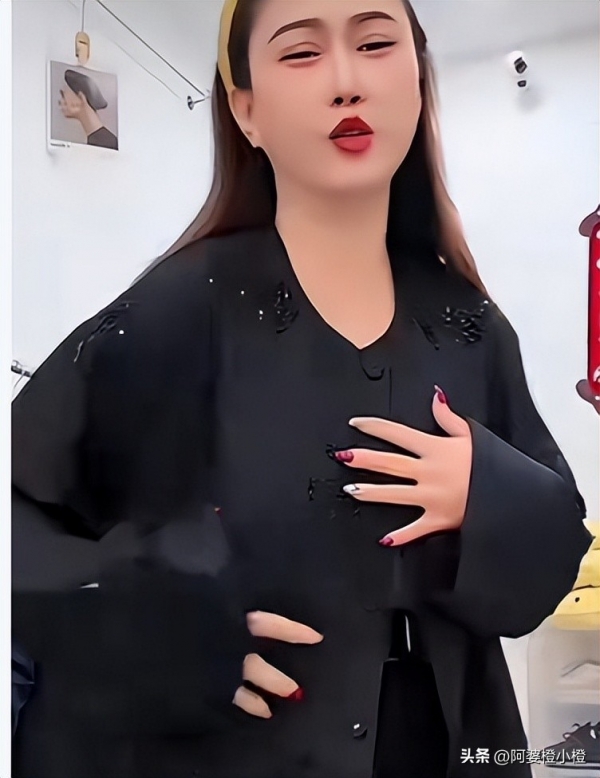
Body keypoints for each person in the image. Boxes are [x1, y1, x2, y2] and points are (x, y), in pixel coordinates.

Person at [12, 1, 593, 777]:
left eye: (375, 43)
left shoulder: (470, 326)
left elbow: (552, 561)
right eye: (301, 53)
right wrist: (139, 623)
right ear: (246, 108)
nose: (347, 82)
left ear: (417, 79)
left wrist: (482, 492)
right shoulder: (174, 314)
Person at [58, 70, 118, 150]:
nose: (60, 101)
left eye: (63, 95)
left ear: (81, 97)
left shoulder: (102, 144)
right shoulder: (102, 139)